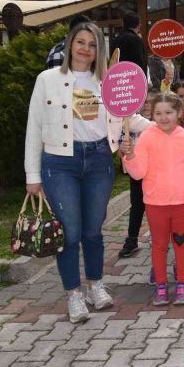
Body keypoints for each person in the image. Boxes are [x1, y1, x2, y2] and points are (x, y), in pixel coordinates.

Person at [25, 22, 150, 323]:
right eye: (80, 42)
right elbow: (35, 126)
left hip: (97, 160)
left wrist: (163, 127)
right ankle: (73, 295)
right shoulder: (48, 79)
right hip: (59, 162)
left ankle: (95, 285)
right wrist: (33, 176)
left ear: (99, 50)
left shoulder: (105, 81)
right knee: (70, 232)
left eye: (92, 44)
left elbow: (127, 115)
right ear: (69, 44)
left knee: (93, 230)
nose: (85, 49)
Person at [121, 92, 184, 305]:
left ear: (179, 113)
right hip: (155, 203)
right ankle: (161, 286)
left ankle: (182, 283)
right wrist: (129, 156)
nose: (164, 117)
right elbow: (138, 173)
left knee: (181, 243)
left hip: (182, 203)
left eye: (169, 112)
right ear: (151, 114)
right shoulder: (146, 137)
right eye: (158, 113)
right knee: (159, 245)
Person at [118, 92, 156, 259]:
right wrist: (125, 150)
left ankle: (158, 235)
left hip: (155, 172)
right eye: (143, 101)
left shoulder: (159, 124)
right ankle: (132, 239)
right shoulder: (129, 124)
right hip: (137, 172)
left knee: (155, 206)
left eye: (150, 102)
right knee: (137, 205)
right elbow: (121, 148)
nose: (146, 105)